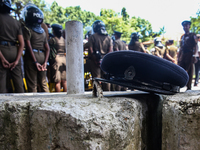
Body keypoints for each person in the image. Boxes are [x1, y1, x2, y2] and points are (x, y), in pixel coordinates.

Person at [22, 3, 50, 92]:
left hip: (32, 56)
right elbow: (47, 48)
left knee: (32, 83)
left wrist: (35, 61)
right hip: (42, 56)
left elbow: (28, 46)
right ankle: (50, 100)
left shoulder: (27, 29)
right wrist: (45, 62)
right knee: (43, 83)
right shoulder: (43, 31)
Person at [0, 0, 24, 93]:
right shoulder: (16, 22)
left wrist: (2, 58)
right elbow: (22, 43)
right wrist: (17, 60)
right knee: (18, 81)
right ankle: (23, 102)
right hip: (14, 51)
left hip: (2, 50)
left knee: (1, 80)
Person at [87, 20, 113, 91]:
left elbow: (90, 49)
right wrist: (105, 60)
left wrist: (95, 59)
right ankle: (108, 94)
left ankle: (97, 94)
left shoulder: (92, 37)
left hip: (95, 60)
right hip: (106, 60)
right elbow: (110, 50)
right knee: (106, 78)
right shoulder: (108, 37)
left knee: (97, 78)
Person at [178, 20, 198, 90]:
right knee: (180, 69)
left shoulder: (192, 35)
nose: (185, 27)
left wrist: (195, 55)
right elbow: (181, 47)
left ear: (189, 27)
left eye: (186, 26)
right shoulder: (182, 37)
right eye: (184, 26)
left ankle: (188, 87)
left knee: (189, 71)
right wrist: (179, 56)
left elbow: (195, 46)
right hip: (183, 54)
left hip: (190, 54)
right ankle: (178, 85)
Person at [49, 24, 67, 92]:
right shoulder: (64, 40)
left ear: (54, 31)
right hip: (64, 59)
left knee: (57, 81)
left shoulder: (53, 40)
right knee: (64, 80)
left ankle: (58, 96)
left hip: (57, 59)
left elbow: (50, 51)